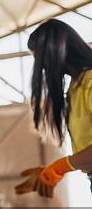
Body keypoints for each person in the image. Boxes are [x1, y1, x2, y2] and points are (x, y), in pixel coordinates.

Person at [16, 19, 92, 198]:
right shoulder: (75, 88)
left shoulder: (90, 82)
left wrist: (59, 167)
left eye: (42, 62)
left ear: (56, 52)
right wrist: (51, 170)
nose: (43, 69)